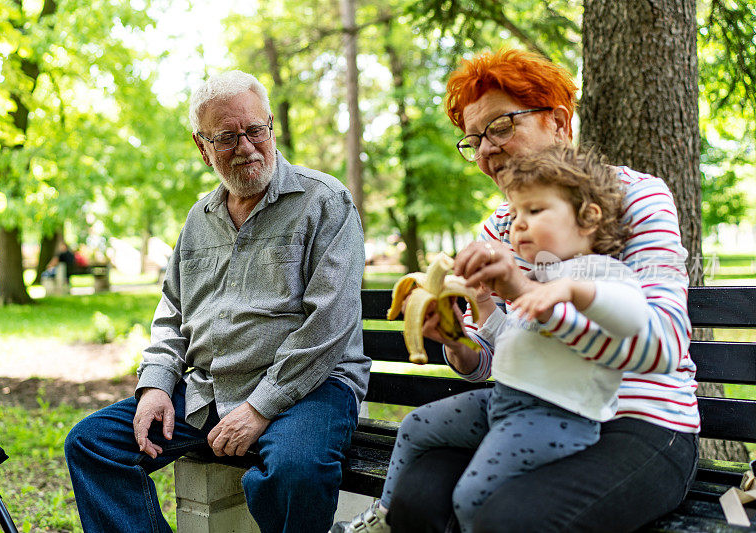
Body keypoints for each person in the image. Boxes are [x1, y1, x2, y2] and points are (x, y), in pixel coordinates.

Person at [365, 48, 697, 533]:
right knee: (417, 504)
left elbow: (660, 346)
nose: (484, 151)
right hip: (528, 410)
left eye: (501, 127)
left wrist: (531, 294)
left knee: (508, 520)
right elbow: (486, 362)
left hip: (640, 420)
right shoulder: (499, 229)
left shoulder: (635, 199)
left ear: (559, 123)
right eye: (473, 139)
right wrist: (456, 340)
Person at [64, 70, 369, 533]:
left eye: (255, 130)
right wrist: (157, 386)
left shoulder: (325, 201)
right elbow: (171, 313)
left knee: (294, 472)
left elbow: (328, 325)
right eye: (227, 137)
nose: (246, 147)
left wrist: (261, 406)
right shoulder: (199, 218)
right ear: (201, 146)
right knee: (93, 445)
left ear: (271, 126)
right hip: (210, 388)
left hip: (310, 387)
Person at [337, 145, 651, 533]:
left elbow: (634, 318)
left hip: (556, 417)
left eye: (534, 211)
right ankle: (384, 520)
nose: (517, 225)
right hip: (504, 402)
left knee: (472, 496)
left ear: (587, 218)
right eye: (515, 213)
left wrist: (574, 291)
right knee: (415, 425)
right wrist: (482, 304)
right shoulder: (540, 276)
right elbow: (516, 347)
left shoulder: (602, 273)